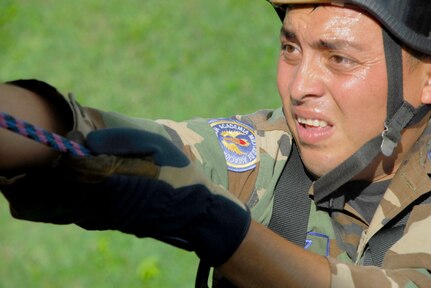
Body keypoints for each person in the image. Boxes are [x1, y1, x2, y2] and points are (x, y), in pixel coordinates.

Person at [1, 0, 431, 287]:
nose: (299, 87)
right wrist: (36, 123)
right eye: (290, 48)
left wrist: (216, 227)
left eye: (338, 58)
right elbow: (115, 142)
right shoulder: (276, 149)